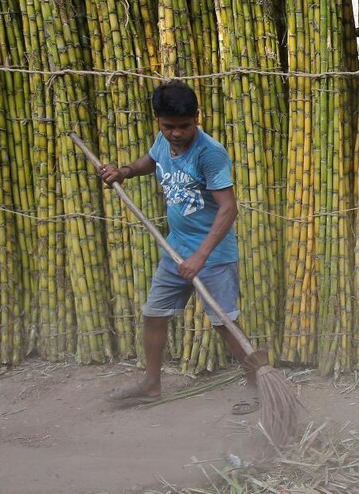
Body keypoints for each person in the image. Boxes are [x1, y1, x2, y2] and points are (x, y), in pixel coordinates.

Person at [99, 80, 259, 415]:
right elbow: (152, 161)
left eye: (185, 126)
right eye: (169, 126)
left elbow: (229, 208)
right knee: (153, 315)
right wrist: (125, 172)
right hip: (175, 251)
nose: (176, 133)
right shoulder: (164, 140)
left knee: (224, 324)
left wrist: (201, 256)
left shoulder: (209, 153)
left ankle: (259, 387)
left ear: (196, 118)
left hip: (212, 257)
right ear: (158, 120)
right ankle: (151, 386)